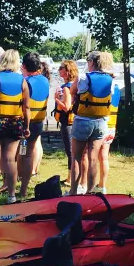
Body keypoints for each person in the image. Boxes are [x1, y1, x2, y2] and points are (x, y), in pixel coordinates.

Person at [0, 49, 31, 204]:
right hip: (15, 123)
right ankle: (11, 195)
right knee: (10, 160)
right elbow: (26, 107)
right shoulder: (22, 81)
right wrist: (27, 126)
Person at [69, 51, 115, 195]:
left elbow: (72, 90)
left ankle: (73, 191)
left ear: (92, 62)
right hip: (101, 122)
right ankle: (90, 192)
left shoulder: (83, 77)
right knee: (93, 158)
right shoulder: (111, 79)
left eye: (88, 61)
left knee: (76, 157)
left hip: (83, 120)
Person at [19, 52, 50, 200]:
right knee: (27, 154)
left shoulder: (25, 82)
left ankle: (20, 189)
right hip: (38, 123)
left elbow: (23, 105)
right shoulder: (45, 80)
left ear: (24, 66)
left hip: (26, 125)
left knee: (21, 154)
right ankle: (23, 185)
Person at [94, 52, 119, 195]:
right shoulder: (116, 86)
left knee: (89, 155)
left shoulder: (101, 84)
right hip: (112, 125)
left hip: (100, 123)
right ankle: (102, 185)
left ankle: (87, 185)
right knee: (104, 156)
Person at [54, 59, 78, 187]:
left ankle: (70, 179)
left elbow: (67, 107)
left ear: (67, 71)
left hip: (68, 123)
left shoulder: (68, 88)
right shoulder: (74, 85)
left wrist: (56, 99)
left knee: (70, 151)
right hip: (72, 122)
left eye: (61, 68)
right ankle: (70, 177)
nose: (59, 70)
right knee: (72, 151)